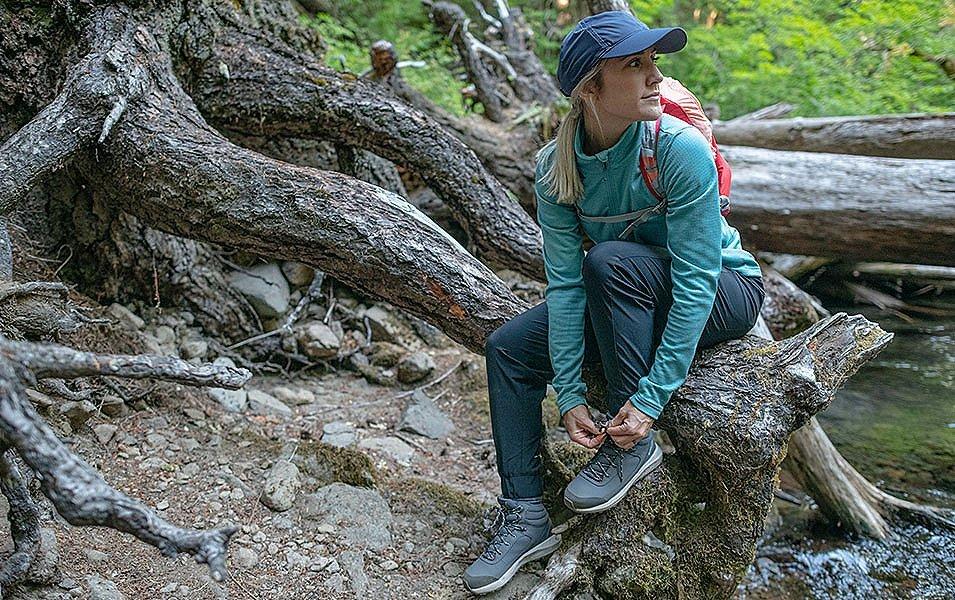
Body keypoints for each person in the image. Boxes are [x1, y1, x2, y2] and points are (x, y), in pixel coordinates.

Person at [462, 10, 765, 596]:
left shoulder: (677, 150)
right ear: (589, 89)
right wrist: (571, 393)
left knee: (610, 262)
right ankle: (524, 513)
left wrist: (649, 402)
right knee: (507, 349)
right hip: (624, 290)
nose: (655, 76)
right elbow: (567, 287)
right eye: (635, 64)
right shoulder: (555, 170)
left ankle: (633, 445)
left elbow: (699, 279)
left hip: (725, 290)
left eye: (653, 62)